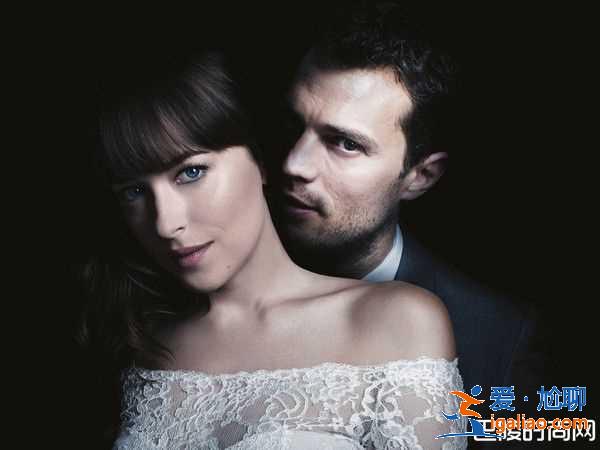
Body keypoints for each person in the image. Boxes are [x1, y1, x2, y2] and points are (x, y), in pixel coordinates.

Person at [77, 50, 467, 449]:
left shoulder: (397, 320)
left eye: (191, 172)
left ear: (260, 159)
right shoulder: (139, 346)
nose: (165, 223)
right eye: (134, 191)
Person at [272, 2, 543, 404]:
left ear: (420, 177)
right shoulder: (197, 281)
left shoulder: (497, 337)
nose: (294, 164)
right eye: (293, 125)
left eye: (346, 143)